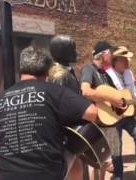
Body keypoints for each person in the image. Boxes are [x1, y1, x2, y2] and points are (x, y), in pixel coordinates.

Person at [0, 46, 97, 180]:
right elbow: (92, 113)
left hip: (8, 175)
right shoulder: (52, 91)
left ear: (21, 68)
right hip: (45, 174)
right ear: (47, 71)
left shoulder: (1, 98)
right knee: (73, 148)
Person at [79, 41, 124, 180]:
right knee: (95, 162)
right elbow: (85, 91)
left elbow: (116, 96)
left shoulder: (105, 74)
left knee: (105, 160)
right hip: (95, 124)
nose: (112, 56)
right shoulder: (88, 69)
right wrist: (109, 98)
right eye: (110, 53)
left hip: (108, 122)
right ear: (102, 54)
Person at [47, 35, 88, 180]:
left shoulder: (66, 72)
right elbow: (59, 107)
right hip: (67, 136)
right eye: (73, 48)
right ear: (61, 51)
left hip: (73, 132)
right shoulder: (59, 76)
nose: (76, 52)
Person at [106, 46, 136, 180]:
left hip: (128, 115)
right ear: (115, 61)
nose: (127, 62)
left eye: (127, 59)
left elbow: (133, 93)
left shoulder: (128, 73)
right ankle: (118, 176)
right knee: (116, 147)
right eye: (124, 59)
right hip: (111, 116)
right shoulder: (107, 75)